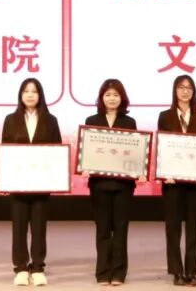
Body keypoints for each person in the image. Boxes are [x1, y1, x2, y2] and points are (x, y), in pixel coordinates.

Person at [1, 78, 62, 286]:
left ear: (40, 95)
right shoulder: (10, 120)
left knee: (39, 227)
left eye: (34, 91)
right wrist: (5, 179)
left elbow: (56, 151)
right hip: (18, 183)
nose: (29, 95)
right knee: (18, 227)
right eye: (26, 91)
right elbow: (6, 151)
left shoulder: (51, 120)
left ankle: (37, 267)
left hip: (41, 183)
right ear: (20, 95)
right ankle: (20, 268)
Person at [84, 79, 140, 286]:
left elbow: (134, 152)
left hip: (123, 185)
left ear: (122, 98)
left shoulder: (129, 122)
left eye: (116, 95)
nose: (112, 98)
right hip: (99, 184)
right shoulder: (92, 120)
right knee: (103, 229)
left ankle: (118, 272)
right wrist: (85, 163)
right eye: (108, 95)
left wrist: (139, 169)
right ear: (101, 98)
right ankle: (102, 272)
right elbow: (87, 150)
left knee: (121, 228)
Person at [156, 75, 196, 287]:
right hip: (172, 181)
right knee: (173, 228)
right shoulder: (165, 116)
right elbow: (162, 145)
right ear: (175, 91)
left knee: (194, 228)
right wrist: (164, 171)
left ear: (194, 92)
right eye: (181, 87)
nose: (185, 91)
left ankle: (191, 271)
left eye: (189, 88)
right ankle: (177, 271)